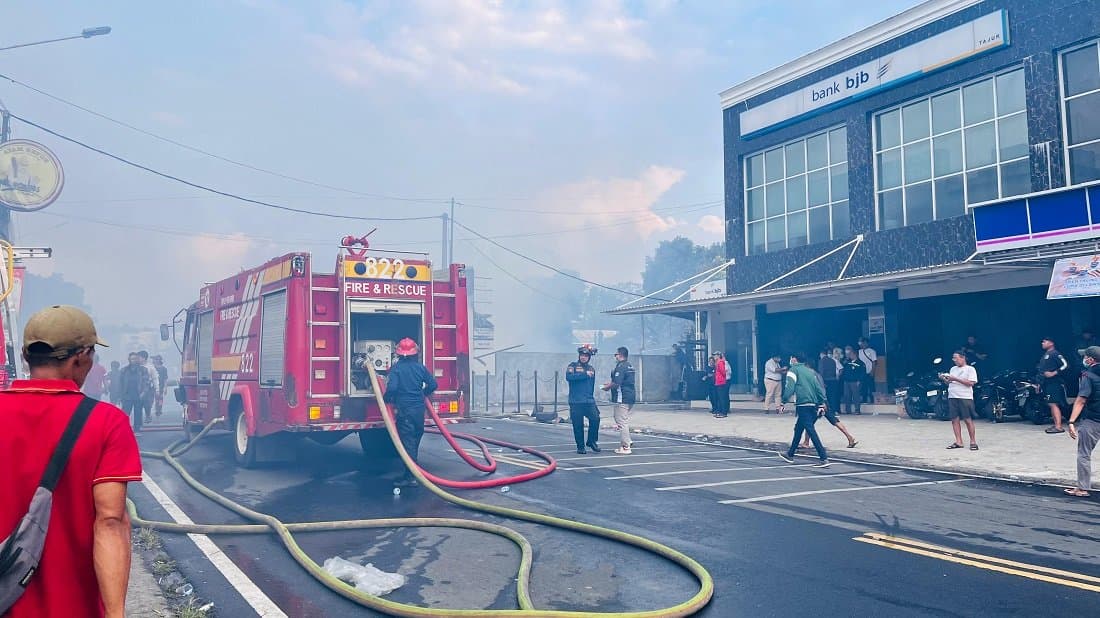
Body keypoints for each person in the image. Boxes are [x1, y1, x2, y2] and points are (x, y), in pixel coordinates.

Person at [0, 305, 141, 618]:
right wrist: (116, 613)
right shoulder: (107, 423)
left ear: (25, 357)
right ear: (83, 357)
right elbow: (110, 522)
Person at [384, 337, 438, 488]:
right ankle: (412, 474)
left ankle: (411, 477)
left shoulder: (397, 369)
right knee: (414, 441)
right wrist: (423, 393)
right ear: (415, 352)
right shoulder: (420, 368)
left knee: (408, 445)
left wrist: (386, 398)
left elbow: (392, 388)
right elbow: (433, 384)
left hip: (405, 411)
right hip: (418, 410)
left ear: (399, 353)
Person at [777, 353, 831, 468]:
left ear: (794, 359)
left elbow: (789, 387)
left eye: (790, 358)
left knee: (810, 430)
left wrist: (783, 401)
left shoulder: (793, 370)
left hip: (803, 404)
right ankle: (790, 454)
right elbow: (818, 388)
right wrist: (822, 402)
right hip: (813, 403)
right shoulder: (809, 371)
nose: (790, 360)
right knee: (798, 428)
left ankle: (823, 457)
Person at [1065, 345, 1100, 497]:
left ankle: (1082, 488)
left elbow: (1081, 400)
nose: (1083, 359)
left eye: (1085, 356)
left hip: (1092, 420)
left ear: (1091, 360)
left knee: (1083, 454)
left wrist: (1072, 421)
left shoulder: (1087, 376)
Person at [800, 361, 858, 450]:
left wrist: (821, 402)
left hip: (817, 402)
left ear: (807, 366)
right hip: (823, 400)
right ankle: (849, 437)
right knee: (834, 420)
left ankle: (806, 442)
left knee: (809, 422)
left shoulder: (810, 375)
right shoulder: (818, 375)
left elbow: (818, 389)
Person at [942, 350, 979, 451]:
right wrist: (946, 379)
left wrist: (955, 379)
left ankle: (973, 441)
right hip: (952, 395)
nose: (954, 360)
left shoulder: (970, 369)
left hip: (965, 397)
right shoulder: (953, 369)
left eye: (956, 358)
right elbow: (950, 382)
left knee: (967, 419)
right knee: (954, 419)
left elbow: (971, 383)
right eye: (953, 358)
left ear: (963, 358)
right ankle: (959, 441)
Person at [566, 345, 600, 454]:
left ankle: (591, 441)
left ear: (589, 357)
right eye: (582, 355)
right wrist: (584, 374)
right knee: (578, 424)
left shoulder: (591, 368)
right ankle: (580, 447)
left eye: (586, 356)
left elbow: (591, 385)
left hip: (588, 400)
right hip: (576, 401)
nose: (583, 357)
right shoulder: (572, 366)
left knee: (595, 419)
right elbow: (569, 377)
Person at [602, 346, 636, 454]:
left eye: (615, 354)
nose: (615, 356)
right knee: (623, 420)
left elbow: (617, 383)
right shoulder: (629, 366)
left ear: (620, 355)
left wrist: (606, 387)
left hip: (622, 397)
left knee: (621, 421)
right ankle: (628, 441)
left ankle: (626, 447)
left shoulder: (621, 367)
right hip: (630, 397)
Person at [1038, 337, 1070, 434]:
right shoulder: (1045, 355)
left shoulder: (1055, 353)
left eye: (1044, 341)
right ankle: (1056, 424)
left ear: (1051, 343)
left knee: (1053, 404)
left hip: (1054, 382)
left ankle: (1058, 426)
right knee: (1051, 404)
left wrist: (1054, 372)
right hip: (1047, 383)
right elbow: (1042, 371)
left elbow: (1065, 365)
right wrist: (1039, 382)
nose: (1042, 343)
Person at [117, 353, 153, 434]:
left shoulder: (143, 370)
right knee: (125, 413)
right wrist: (120, 396)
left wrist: (143, 393)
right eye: (131, 359)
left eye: (135, 359)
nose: (133, 360)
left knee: (138, 413)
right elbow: (120, 384)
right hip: (127, 395)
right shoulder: (124, 370)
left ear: (137, 360)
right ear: (129, 360)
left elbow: (146, 382)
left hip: (138, 395)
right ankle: (123, 429)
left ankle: (137, 429)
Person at [136, 351, 159, 424]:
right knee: (138, 405)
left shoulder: (150, 367)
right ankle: (138, 422)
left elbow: (155, 378)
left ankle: (148, 414)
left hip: (148, 389)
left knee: (147, 404)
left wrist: (157, 389)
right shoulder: (135, 367)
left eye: (139, 357)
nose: (137, 359)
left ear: (144, 358)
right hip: (137, 389)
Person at [841, 349, 864, 415]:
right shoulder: (847, 362)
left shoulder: (860, 363)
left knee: (856, 396)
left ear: (855, 354)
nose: (849, 355)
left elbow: (862, 373)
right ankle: (848, 410)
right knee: (847, 396)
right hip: (846, 381)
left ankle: (857, 410)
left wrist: (859, 380)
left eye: (850, 354)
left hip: (855, 382)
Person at [818, 348, 841, 415]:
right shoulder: (832, 361)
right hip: (833, 380)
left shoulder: (822, 361)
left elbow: (821, 372)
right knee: (833, 396)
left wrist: (822, 382)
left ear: (822, 354)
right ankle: (834, 410)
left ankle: (828, 410)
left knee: (826, 396)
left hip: (826, 380)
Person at [857, 337, 877, 404]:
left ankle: (873, 399)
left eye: (862, 342)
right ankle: (864, 399)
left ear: (865, 342)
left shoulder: (872, 351)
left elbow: (874, 362)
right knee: (863, 387)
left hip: (869, 371)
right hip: (862, 372)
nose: (860, 344)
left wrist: (872, 371)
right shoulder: (859, 351)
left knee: (871, 387)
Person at [713, 352, 731, 418]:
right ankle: (720, 411)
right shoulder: (718, 362)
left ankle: (724, 412)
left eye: (715, 355)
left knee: (722, 398)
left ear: (718, 356)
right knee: (719, 398)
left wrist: (720, 378)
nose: (714, 356)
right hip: (718, 382)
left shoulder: (720, 362)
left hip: (721, 382)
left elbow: (723, 372)